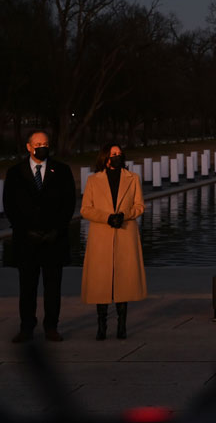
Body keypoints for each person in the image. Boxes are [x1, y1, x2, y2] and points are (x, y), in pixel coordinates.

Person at [2, 130, 77, 343]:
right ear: (28, 146)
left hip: (54, 239)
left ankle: (51, 326)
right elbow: (10, 205)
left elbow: (68, 203)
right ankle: (26, 327)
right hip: (27, 240)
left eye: (45, 143)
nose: (42, 146)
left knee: (53, 287)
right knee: (27, 287)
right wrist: (26, 230)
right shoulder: (15, 172)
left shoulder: (61, 170)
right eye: (37, 143)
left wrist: (56, 229)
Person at [80, 144, 148, 340]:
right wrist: (107, 217)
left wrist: (124, 215)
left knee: (123, 282)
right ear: (105, 157)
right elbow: (85, 209)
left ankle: (122, 326)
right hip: (101, 236)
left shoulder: (132, 178)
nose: (117, 156)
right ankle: (101, 326)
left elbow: (139, 205)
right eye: (113, 154)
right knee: (101, 283)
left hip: (125, 234)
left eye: (119, 154)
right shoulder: (93, 180)